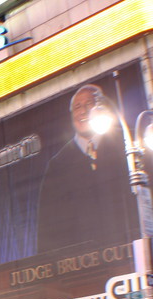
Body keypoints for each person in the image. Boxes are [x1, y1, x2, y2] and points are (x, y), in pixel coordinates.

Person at [35, 83, 140, 255]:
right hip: (84, 267)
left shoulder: (129, 144)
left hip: (131, 255)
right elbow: (47, 227)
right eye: (77, 107)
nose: (83, 111)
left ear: (102, 108)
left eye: (89, 104)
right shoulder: (58, 165)